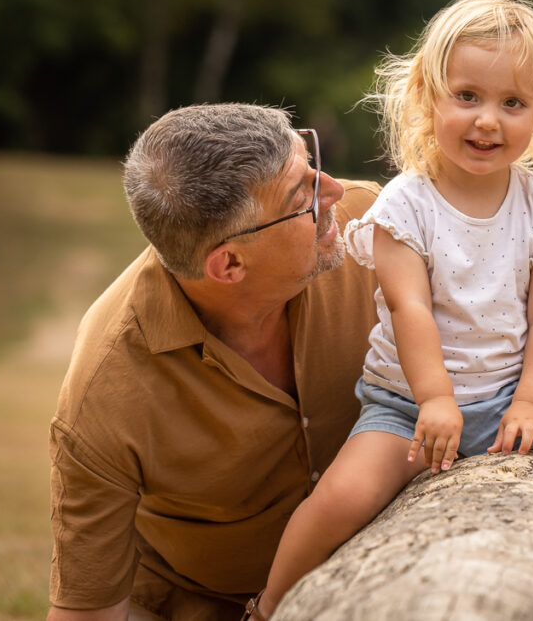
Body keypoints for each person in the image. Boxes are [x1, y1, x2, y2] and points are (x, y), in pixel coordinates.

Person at [259, 0, 533, 619]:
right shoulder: (403, 209)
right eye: (467, 96)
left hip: (519, 390)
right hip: (410, 402)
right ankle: (269, 605)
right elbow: (410, 309)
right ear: (427, 97)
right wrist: (436, 400)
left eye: (512, 103)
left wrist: (530, 402)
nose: (488, 121)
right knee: (339, 499)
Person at [47, 104, 380, 620]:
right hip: (197, 603)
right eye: (302, 197)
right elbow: (87, 611)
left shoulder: (378, 224)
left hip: (384, 576)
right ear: (228, 263)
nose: (334, 190)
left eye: (310, 160)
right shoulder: (106, 391)